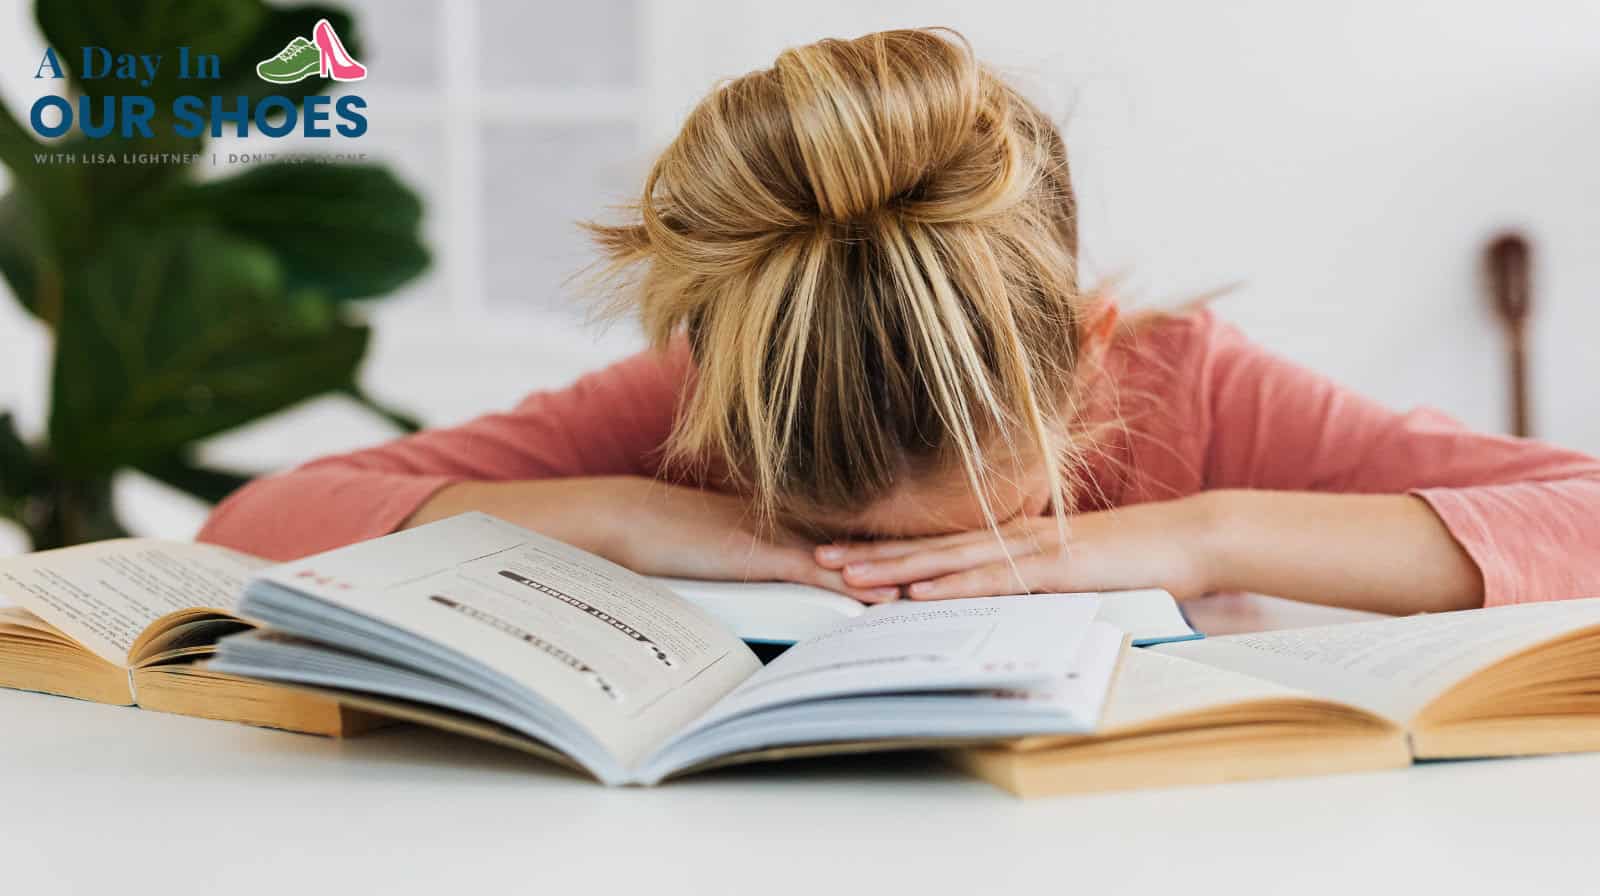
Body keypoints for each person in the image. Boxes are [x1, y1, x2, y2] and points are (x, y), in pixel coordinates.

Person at [199, 28, 1600, 616]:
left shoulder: (1195, 394)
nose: (906, 589)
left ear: (1092, 351)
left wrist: (1200, 532)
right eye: (849, 546)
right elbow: (259, 520)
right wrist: (624, 517)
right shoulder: (697, 403)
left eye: (985, 540)